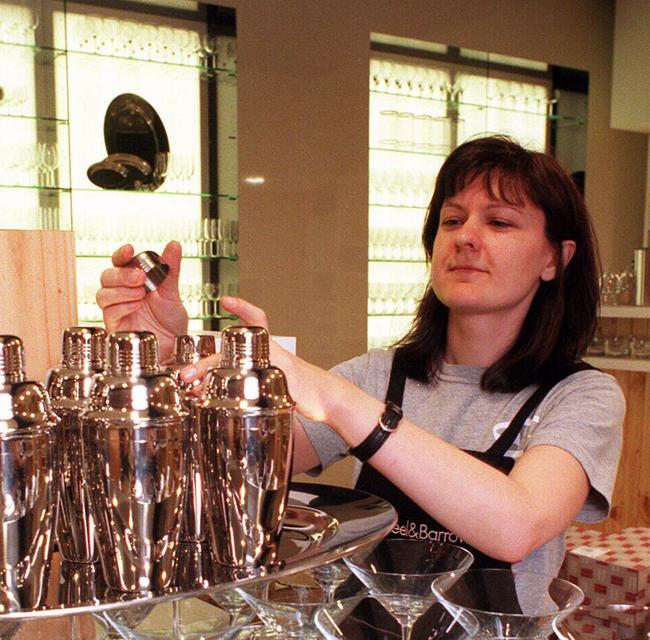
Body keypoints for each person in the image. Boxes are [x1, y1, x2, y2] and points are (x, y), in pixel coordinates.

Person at [98, 135, 625, 589]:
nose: (466, 236)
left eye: (501, 222)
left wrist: (333, 398)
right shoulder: (379, 374)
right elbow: (239, 466)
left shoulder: (581, 395)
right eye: (452, 218)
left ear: (556, 257)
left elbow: (516, 526)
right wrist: (161, 361)